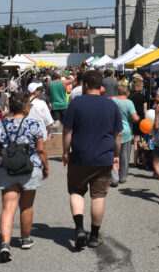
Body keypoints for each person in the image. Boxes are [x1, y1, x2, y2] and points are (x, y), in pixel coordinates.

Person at [62, 70, 122, 249]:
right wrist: (116, 155)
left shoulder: (76, 103)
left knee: (76, 192)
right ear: (100, 85)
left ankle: (79, 228)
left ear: (85, 85)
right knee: (98, 196)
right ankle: (94, 236)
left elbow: (67, 131)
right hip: (103, 157)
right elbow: (118, 134)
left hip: (79, 156)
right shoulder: (111, 106)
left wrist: (66, 151)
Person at [0, 91, 49, 263]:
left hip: (6, 168)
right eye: (29, 105)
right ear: (24, 107)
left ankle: (5, 244)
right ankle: (25, 239)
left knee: (8, 207)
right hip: (29, 168)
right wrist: (46, 167)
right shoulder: (33, 123)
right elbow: (41, 149)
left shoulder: (1, 124)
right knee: (26, 206)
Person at [110, 80, 139, 187]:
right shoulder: (129, 103)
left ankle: (114, 177)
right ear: (127, 91)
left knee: (114, 155)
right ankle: (122, 177)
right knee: (124, 156)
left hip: (113, 130)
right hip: (126, 131)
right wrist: (139, 117)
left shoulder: (112, 100)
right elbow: (135, 118)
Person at [129, 74, 148, 167]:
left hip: (133, 119)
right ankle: (140, 160)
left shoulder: (130, 96)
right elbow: (145, 111)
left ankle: (135, 161)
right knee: (139, 139)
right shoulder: (143, 97)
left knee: (135, 140)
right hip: (141, 120)